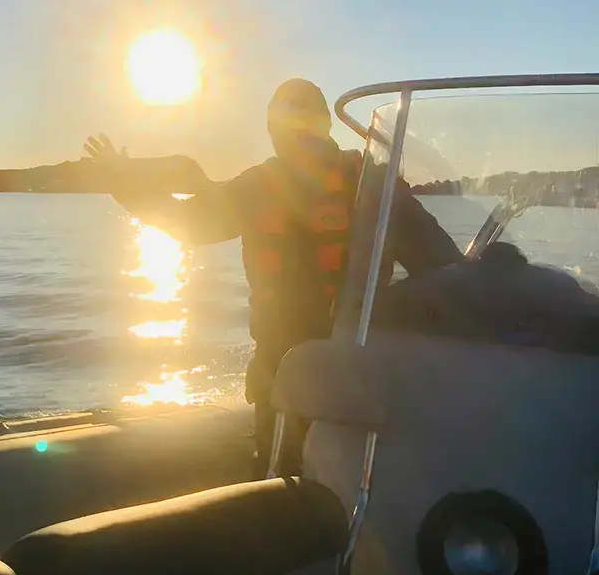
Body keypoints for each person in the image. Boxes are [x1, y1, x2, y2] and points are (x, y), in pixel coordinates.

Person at [84, 77, 462, 474]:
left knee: (342, 481)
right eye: (284, 124)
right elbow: (189, 222)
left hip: (355, 375)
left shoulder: (375, 186)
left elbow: (442, 266)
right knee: (280, 479)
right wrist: (123, 183)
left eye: (304, 120)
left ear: (323, 125)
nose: (295, 133)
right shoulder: (256, 187)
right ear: (272, 132)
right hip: (282, 375)